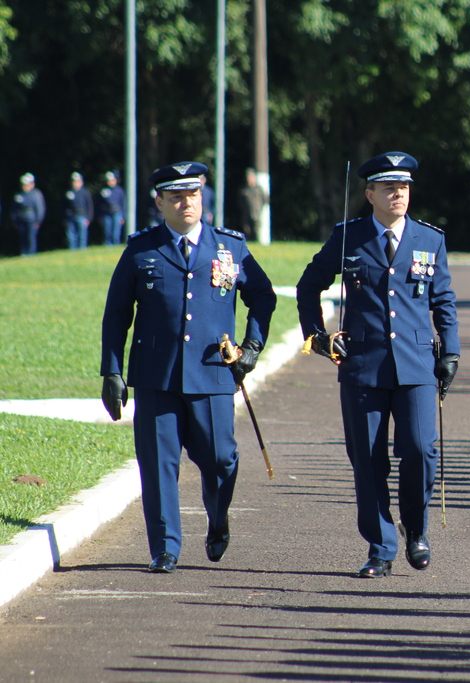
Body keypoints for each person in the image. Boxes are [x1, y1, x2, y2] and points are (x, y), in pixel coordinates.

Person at [99, 161, 277, 573]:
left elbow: (263, 298)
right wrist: (112, 371)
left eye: (192, 194)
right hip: (155, 375)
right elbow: (117, 313)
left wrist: (252, 346)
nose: (186, 203)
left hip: (212, 372)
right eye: (176, 196)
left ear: (203, 197)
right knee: (158, 462)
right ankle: (165, 547)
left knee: (221, 458)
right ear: (159, 202)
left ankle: (217, 517)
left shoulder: (230, 246)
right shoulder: (141, 249)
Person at [295, 151, 460, 578]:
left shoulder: (430, 240)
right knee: (367, 460)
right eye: (388, 187)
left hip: (417, 364)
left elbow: (442, 300)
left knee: (422, 450)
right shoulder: (348, 237)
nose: (398, 194)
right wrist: (318, 337)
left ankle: (416, 529)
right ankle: (381, 546)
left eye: (403, 186)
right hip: (362, 365)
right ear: (369, 194)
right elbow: (309, 284)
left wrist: (452, 351)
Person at [12, 173, 45, 256]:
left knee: (31, 238)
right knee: (23, 237)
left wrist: (38, 220)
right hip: (21, 219)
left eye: (26, 184)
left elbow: (40, 208)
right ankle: (24, 253)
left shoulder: (36, 194)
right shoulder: (18, 195)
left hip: (31, 219)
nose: (25, 186)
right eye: (23, 184)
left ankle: (31, 253)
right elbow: (13, 208)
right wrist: (14, 219)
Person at [63, 172, 93, 250]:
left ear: (81, 182)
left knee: (82, 235)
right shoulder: (68, 192)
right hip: (70, 216)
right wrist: (65, 217)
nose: (75, 183)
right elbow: (64, 205)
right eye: (74, 181)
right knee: (71, 235)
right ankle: (72, 250)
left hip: (82, 216)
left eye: (77, 181)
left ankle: (82, 249)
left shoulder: (85, 192)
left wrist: (89, 218)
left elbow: (89, 206)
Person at [98, 171, 126, 245]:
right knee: (107, 232)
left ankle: (116, 245)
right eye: (108, 180)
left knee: (116, 232)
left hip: (117, 212)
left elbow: (123, 203)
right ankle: (108, 245)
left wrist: (123, 216)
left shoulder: (119, 190)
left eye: (112, 180)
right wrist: (100, 215)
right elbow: (99, 203)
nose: (110, 182)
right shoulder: (103, 190)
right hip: (106, 213)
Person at [239, 167, 268, 238]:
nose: (249, 179)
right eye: (248, 177)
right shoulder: (244, 190)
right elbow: (240, 202)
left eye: (250, 177)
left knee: (256, 231)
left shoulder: (259, 189)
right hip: (246, 214)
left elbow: (265, 200)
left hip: (256, 213)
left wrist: (259, 209)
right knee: (247, 230)